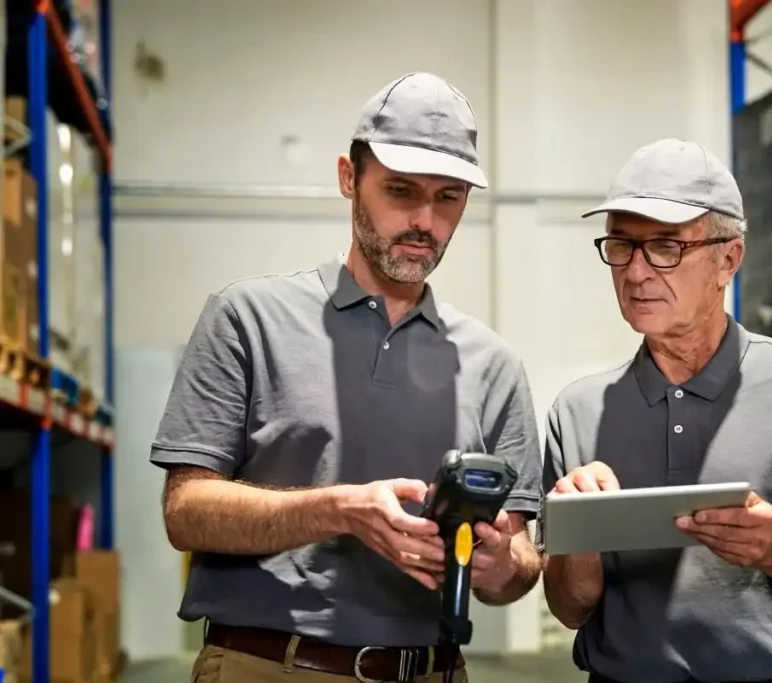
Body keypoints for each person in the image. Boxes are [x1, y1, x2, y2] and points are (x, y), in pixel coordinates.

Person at [151, 72, 544, 683]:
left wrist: (501, 566)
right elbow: (185, 512)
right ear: (347, 177)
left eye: (448, 197)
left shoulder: (494, 364)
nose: (424, 220)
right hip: (268, 667)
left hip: (432, 671)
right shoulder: (248, 318)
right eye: (400, 190)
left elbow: (518, 556)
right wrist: (339, 510)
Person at [539, 139, 772, 683]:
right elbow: (570, 609)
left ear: (728, 260)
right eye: (621, 245)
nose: (636, 272)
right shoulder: (577, 412)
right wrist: (583, 542)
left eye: (665, 247)